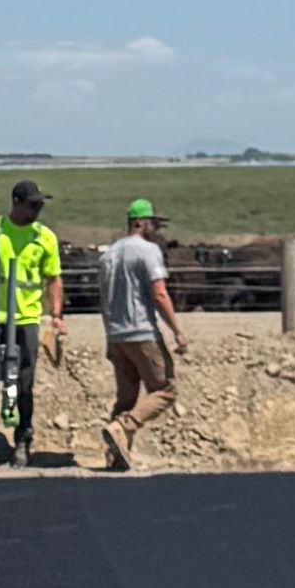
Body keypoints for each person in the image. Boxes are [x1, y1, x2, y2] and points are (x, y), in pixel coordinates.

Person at [0, 180, 64, 463]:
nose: (37, 211)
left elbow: (53, 279)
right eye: (32, 205)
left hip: (26, 320)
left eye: (40, 205)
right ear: (16, 202)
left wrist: (56, 316)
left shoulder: (44, 238)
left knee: (24, 383)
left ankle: (23, 439)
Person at [97, 195, 181, 467]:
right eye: (153, 224)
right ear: (141, 223)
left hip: (115, 335)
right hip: (142, 332)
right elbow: (159, 293)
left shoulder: (108, 255)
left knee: (126, 396)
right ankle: (125, 426)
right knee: (166, 389)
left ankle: (116, 457)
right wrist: (177, 330)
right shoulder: (148, 251)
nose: (156, 230)